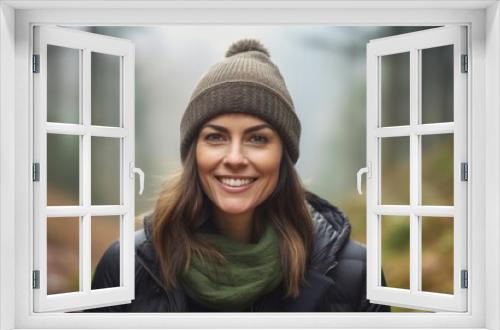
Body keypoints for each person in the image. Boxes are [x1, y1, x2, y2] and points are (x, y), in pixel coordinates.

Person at [87, 38, 390, 312]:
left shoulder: (354, 274)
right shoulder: (126, 266)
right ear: (194, 152)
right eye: (216, 137)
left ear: (283, 155)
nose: (234, 159)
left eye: (257, 139)